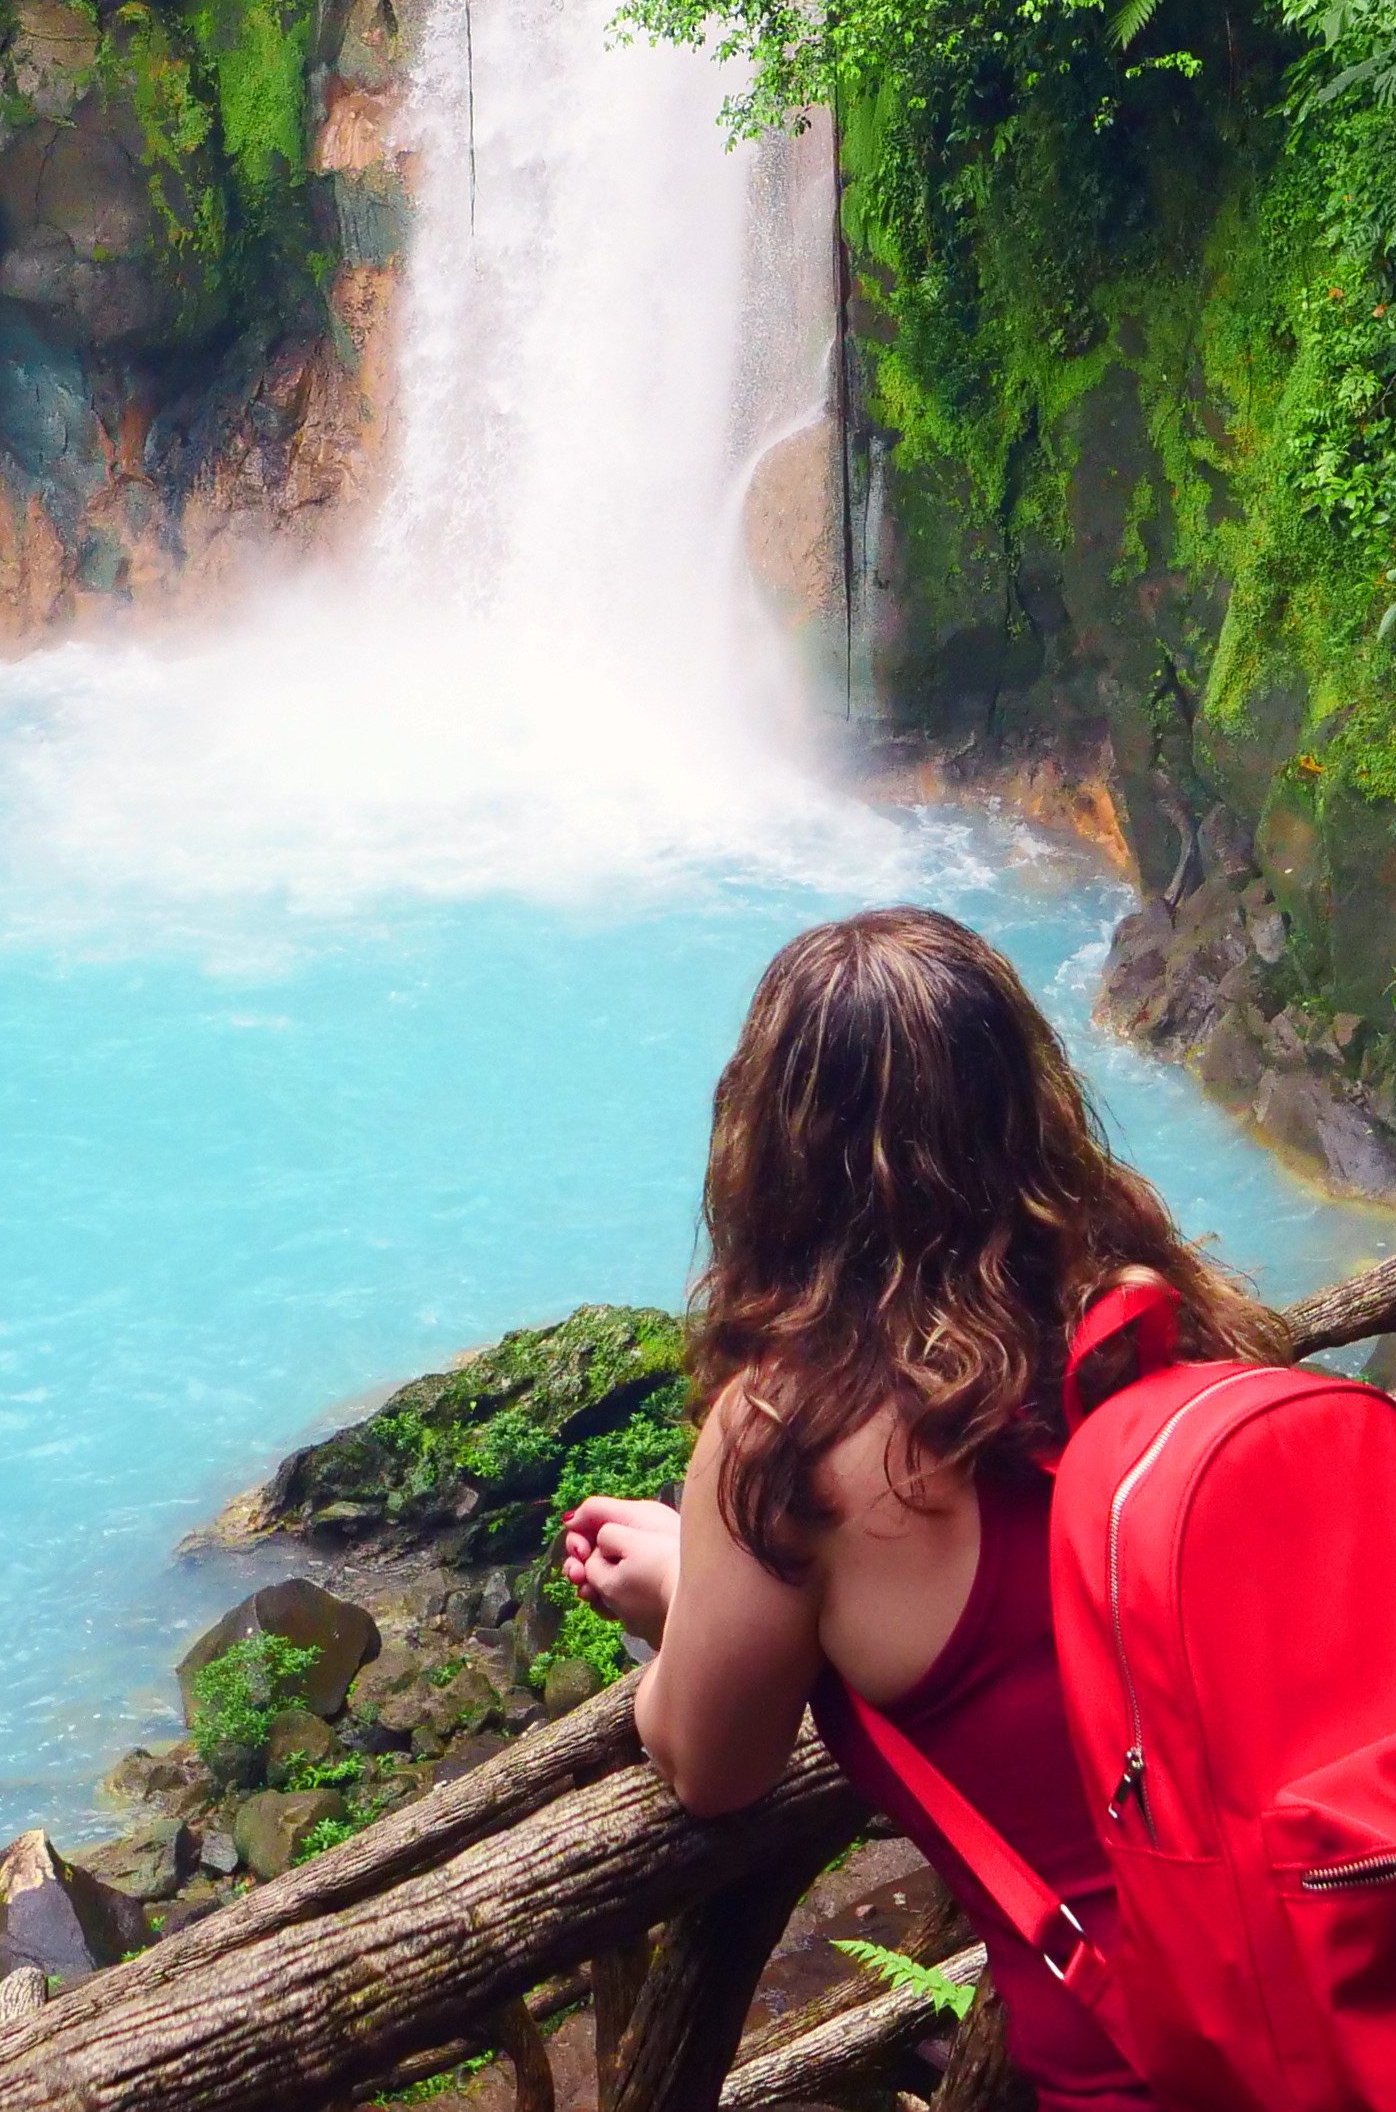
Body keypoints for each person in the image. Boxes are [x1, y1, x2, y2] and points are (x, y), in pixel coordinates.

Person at [556, 905, 1295, 2112]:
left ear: (772, 1148)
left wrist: (687, 1586)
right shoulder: (1157, 1311)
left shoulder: (789, 1434)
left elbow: (713, 1765)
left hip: (1226, 2072)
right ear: (1030, 1101)